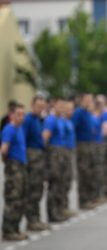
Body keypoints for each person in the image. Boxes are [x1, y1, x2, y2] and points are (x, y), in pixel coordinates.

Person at [1, 103, 28, 241]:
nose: (21, 117)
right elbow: (4, 149)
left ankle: (15, 228)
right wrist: (9, 164)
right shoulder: (9, 129)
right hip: (14, 167)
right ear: (12, 115)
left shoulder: (20, 129)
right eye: (18, 114)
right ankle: (8, 230)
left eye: (23, 114)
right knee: (13, 198)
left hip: (21, 166)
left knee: (21, 199)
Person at [22, 95, 50, 231]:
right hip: (31, 157)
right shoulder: (27, 120)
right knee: (32, 190)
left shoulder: (39, 120)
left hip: (39, 157)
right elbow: (23, 140)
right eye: (38, 106)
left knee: (38, 190)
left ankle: (36, 218)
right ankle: (31, 220)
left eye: (42, 107)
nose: (40, 109)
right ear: (32, 105)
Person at [43, 98, 68, 222]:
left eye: (64, 106)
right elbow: (45, 138)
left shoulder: (61, 120)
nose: (62, 108)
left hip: (61, 153)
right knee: (54, 182)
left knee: (60, 184)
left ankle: (58, 210)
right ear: (55, 106)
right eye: (60, 105)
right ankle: (52, 213)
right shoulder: (51, 120)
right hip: (54, 154)